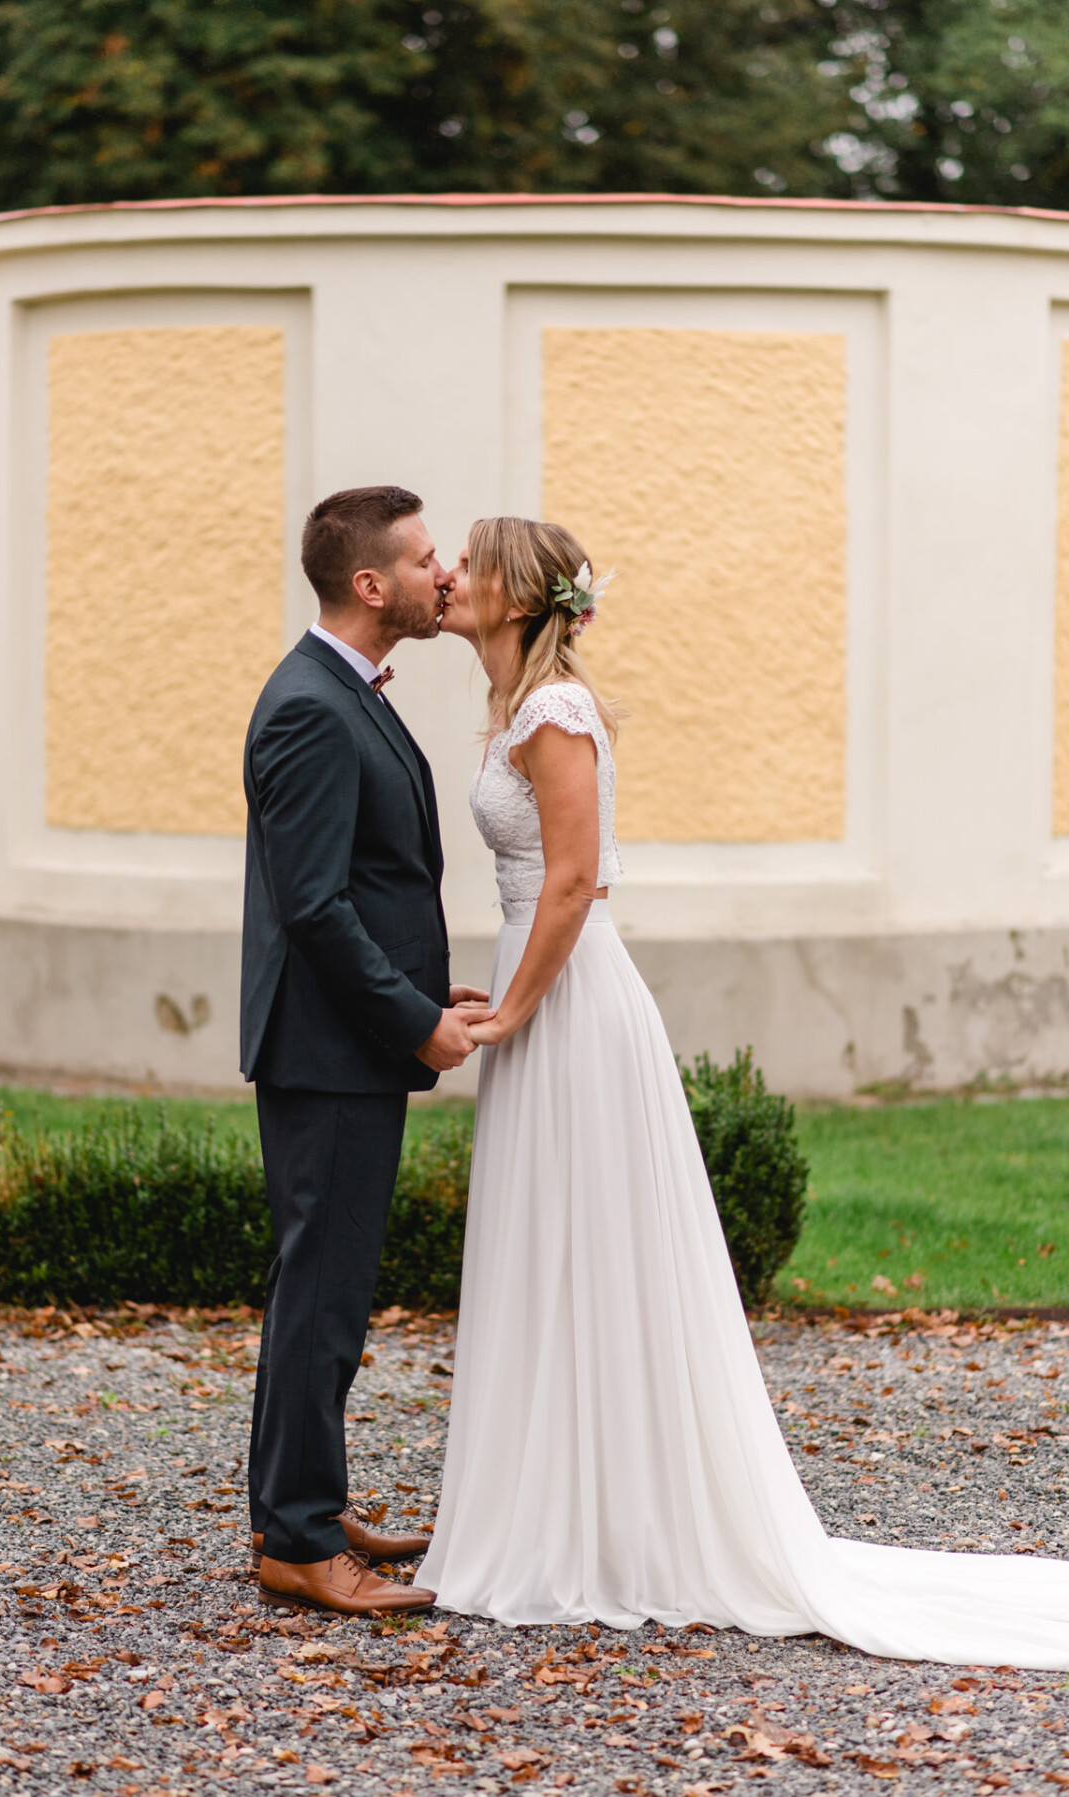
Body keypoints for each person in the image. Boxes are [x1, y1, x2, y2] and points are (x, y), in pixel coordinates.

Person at [419, 513, 1069, 1668]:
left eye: (469, 563)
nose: (451, 578)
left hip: (572, 1003)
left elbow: (572, 884)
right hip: (538, 987)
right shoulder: (512, 711)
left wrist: (514, 1010)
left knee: (594, 1247)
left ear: (517, 598)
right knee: (549, 1249)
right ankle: (558, 1510)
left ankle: (613, 1527)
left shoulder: (558, 715)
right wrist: (502, 991)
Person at [240, 485, 493, 1617]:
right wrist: (413, 1022)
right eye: (428, 560)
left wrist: (423, 988)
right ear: (369, 584)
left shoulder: (346, 694)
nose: (446, 576)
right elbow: (313, 909)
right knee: (323, 1295)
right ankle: (296, 1541)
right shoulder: (308, 705)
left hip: (348, 1037)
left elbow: (367, 886)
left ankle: (308, 1501)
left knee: (322, 1288)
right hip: (329, 1050)